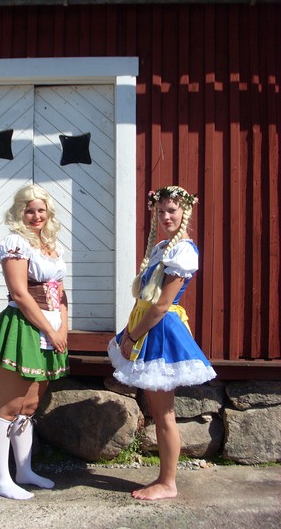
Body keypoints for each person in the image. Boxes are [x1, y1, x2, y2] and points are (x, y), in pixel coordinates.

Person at [107, 185, 216, 501]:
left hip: (158, 330)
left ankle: (168, 482)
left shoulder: (183, 251)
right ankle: (166, 479)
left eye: (173, 210)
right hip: (146, 326)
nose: (166, 216)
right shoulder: (163, 248)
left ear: (185, 213)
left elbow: (161, 305)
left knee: (163, 412)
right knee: (159, 409)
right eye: (162, 210)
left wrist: (132, 337)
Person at [0, 184, 69, 500]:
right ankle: (2, 480)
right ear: (19, 212)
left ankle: (25, 470)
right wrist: (51, 330)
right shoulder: (15, 243)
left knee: (29, 406)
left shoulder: (49, 245)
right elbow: (19, 293)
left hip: (51, 329)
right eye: (29, 210)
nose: (36, 215)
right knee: (8, 406)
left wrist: (63, 330)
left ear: (48, 212)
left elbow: (60, 293)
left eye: (41, 209)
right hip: (25, 327)